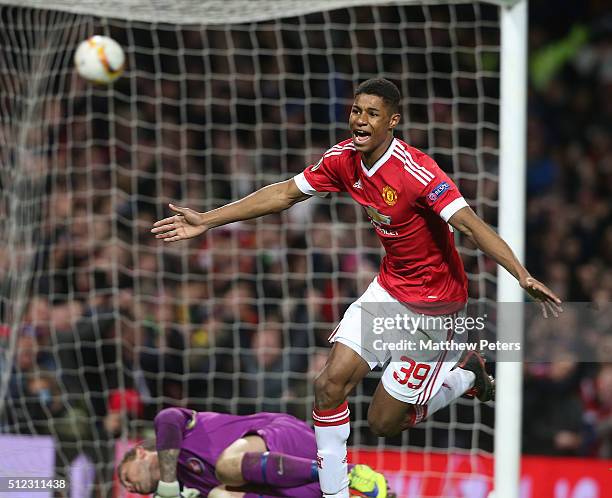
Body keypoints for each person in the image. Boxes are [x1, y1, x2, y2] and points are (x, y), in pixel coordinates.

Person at [151, 78, 563, 498]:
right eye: (356, 111)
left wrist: (521, 273)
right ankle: (336, 492)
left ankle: (464, 375)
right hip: (387, 290)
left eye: (372, 113)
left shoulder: (417, 172)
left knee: (384, 423)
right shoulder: (343, 159)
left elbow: (470, 225)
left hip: (435, 310)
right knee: (329, 385)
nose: (360, 120)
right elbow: (283, 194)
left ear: (392, 122)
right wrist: (208, 219)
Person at [117, 407, 389, 497]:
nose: (129, 486)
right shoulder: (188, 488)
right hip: (284, 482)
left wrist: (167, 482)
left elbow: (167, 418)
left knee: (226, 467)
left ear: (140, 453)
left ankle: (345, 472)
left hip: (284, 438)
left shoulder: (174, 429)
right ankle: (355, 485)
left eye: (125, 476)